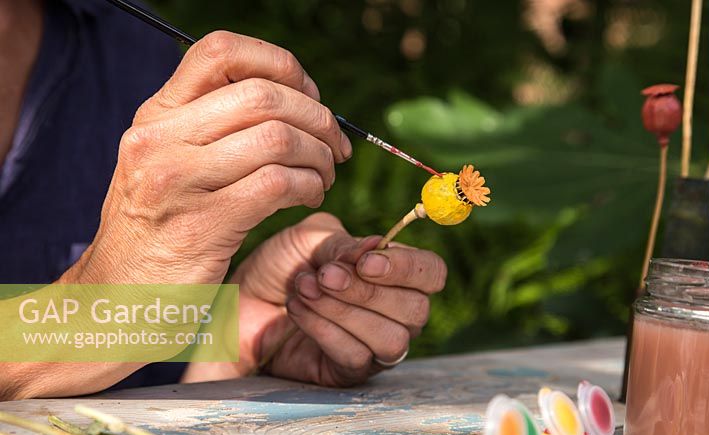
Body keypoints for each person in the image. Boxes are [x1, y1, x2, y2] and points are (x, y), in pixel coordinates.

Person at [0, 0, 447, 399]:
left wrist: (234, 337)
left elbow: (130, 385)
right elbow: (110, 318)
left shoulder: (128, 41)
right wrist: (91, 313)